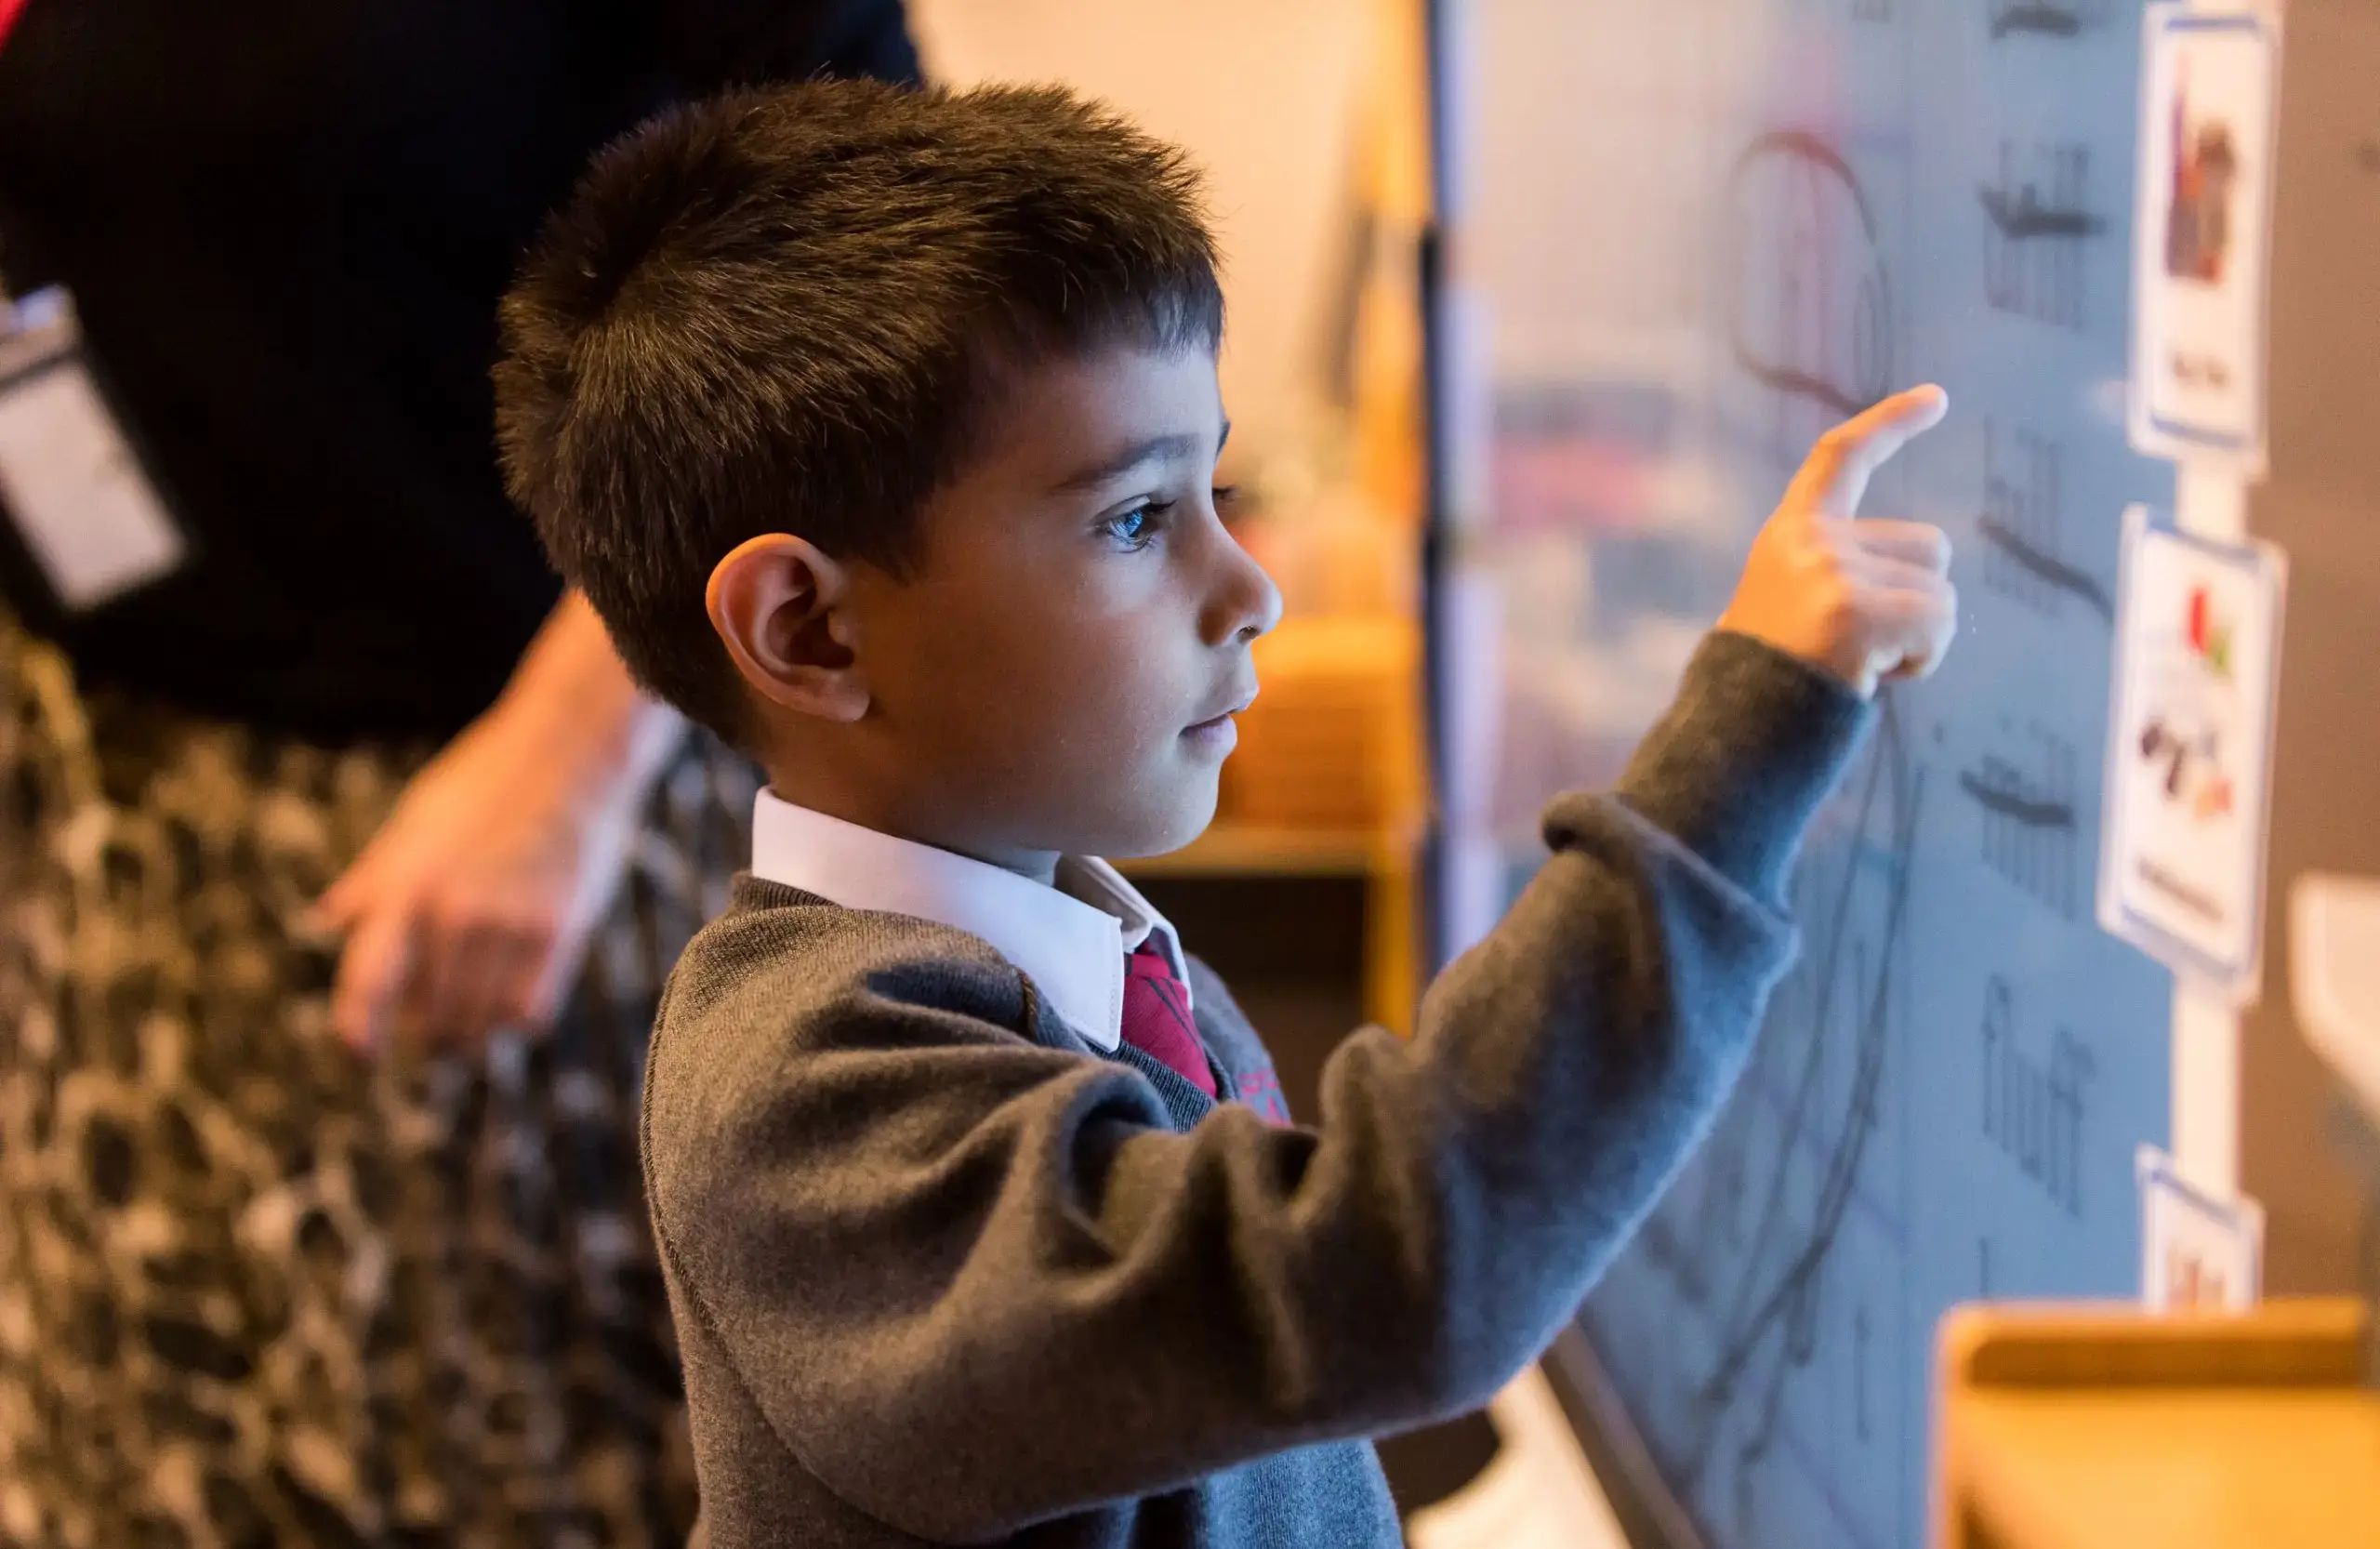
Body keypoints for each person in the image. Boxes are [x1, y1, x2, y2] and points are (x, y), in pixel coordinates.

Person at [498, 81, 1958, 1547]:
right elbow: (1394, 1272)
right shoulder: (813, 1097)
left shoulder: (1113, 968)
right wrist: (1749, 731)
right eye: (1136, 518)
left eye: (1224, 486)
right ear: (808, 629)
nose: (1248, 586)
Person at [0, 5, 916, 1545]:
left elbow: (863, 247)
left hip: (528, 858)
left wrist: (562, 769)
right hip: (118, 840)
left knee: (532, 1480)